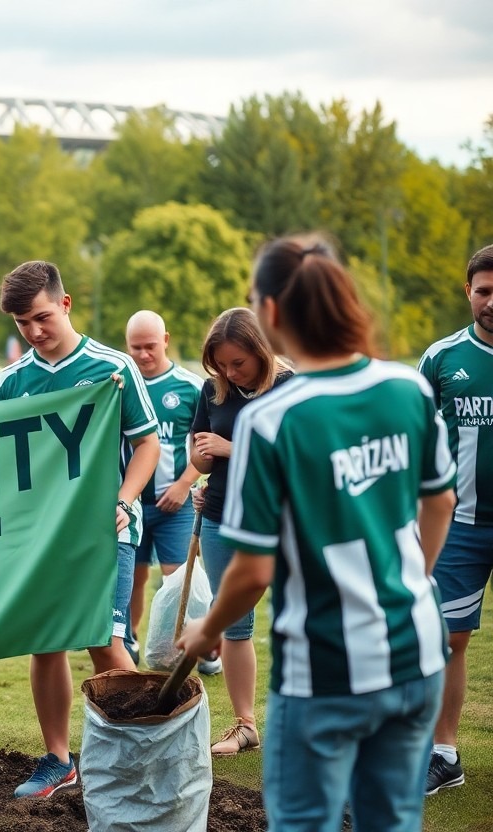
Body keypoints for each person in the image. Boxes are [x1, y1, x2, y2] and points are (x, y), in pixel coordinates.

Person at [178, 237, 454, 831]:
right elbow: (441, 501)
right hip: (416, 648)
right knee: (391, 821)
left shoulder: (270, 419)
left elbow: (252, 572)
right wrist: (408, 580)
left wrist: (206, 627)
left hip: (329, 664)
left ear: (271, 314)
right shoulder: (407, 387)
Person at [0, 261, 160, 798]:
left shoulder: (112, 367)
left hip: (106, 529)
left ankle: (146, 759)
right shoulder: (13, 383)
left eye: (42, 316)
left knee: (106, 641)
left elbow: (147, 445)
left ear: (65, 305)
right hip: (44, 537)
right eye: (23, 324)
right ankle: (59, 761)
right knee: (46, 644)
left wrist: (123, 498)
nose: (35, 331)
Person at [189, 307, 292, 756]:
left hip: (282, 520)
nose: (229, 373)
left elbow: (297, 457)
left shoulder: (292, 388)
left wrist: (233, 447)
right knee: (234, 624)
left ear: (261, 351)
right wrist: (205, 461)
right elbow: (199, 456)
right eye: (221, 364)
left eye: (238, 363)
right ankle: (245, 725)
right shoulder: (212, 392)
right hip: (220, 517)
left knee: (300, 619)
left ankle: (305, 725)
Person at [418, 243, 493, 795]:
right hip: (460, 526)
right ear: (467, 291)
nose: (492, 301)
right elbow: (414, 440)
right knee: (449, 639)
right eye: (484, 290)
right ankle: (444, 754)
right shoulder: (442, 358)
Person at [121, 311, 213, 673]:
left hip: (175, 503)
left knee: (180, 578)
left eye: (150, 346)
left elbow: (203, 447)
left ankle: (197, 647)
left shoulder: (189, 386)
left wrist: (184, 483)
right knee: (134, 578)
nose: (143, 354)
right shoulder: (121, 385)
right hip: (133, 504)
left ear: (166, 340)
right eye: (135, 348)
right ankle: (128, 642)